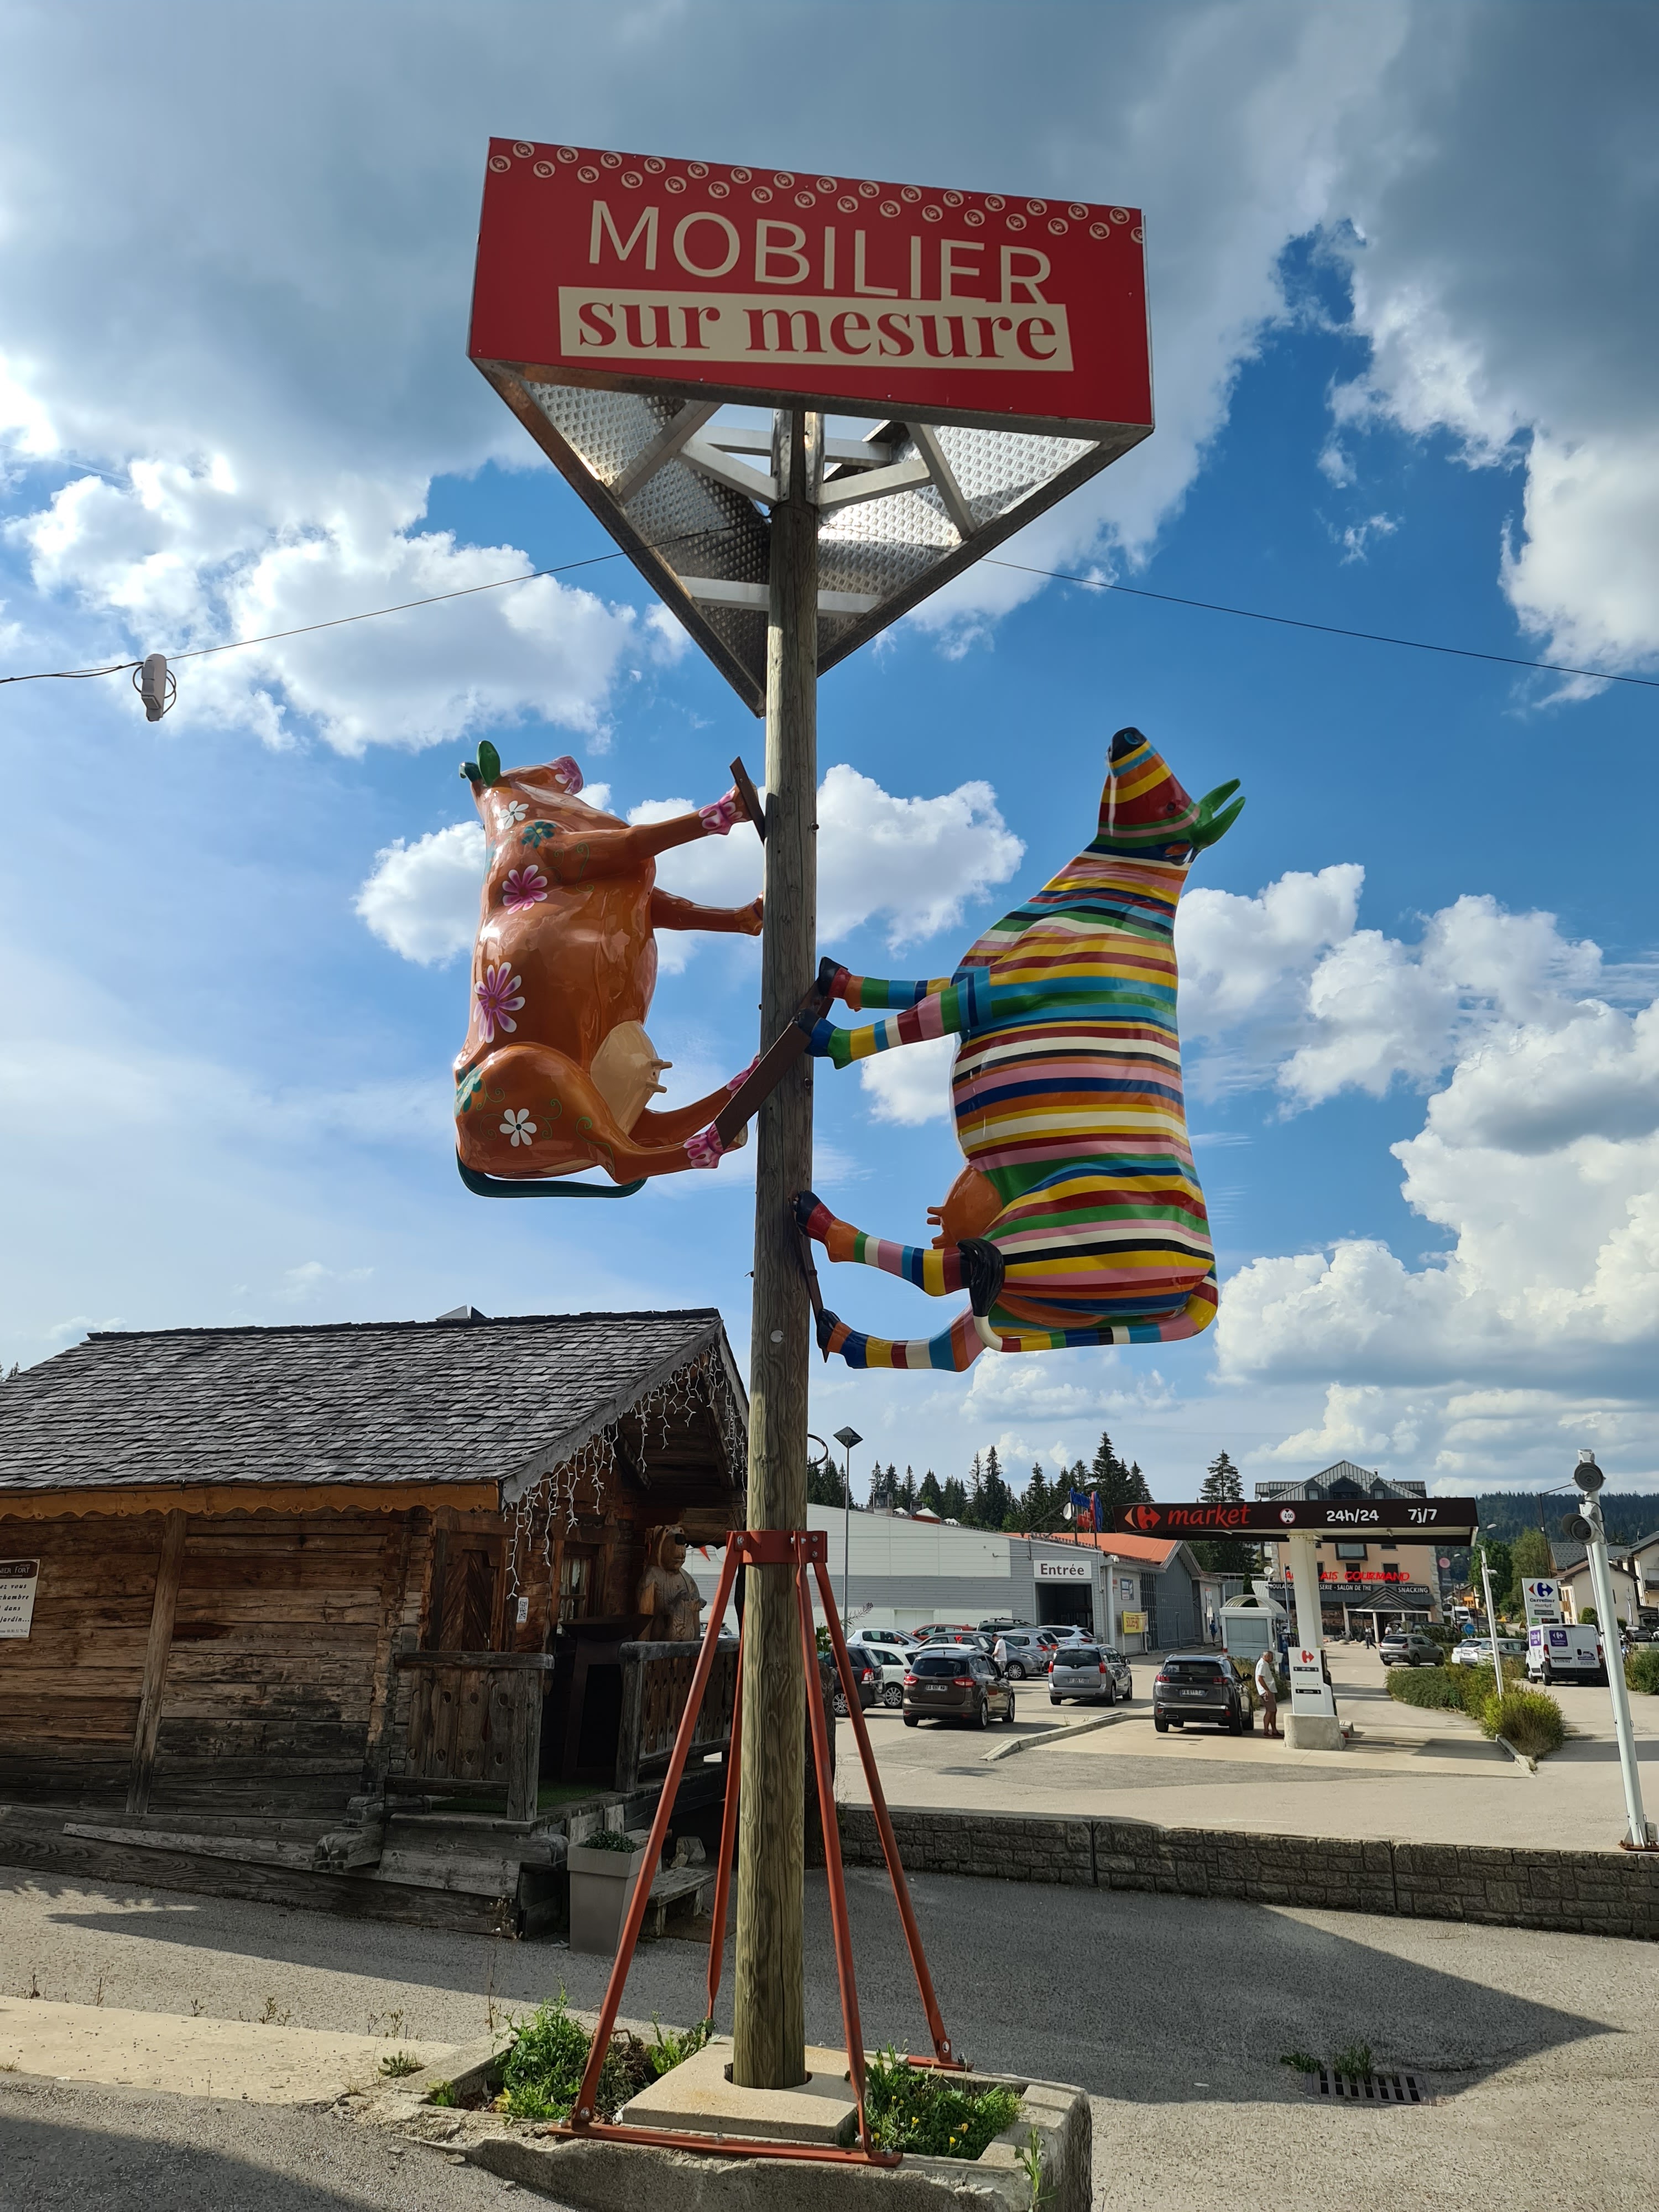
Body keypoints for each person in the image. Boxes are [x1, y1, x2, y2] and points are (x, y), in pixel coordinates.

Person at [1255, 1646, 1281, 1738]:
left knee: (1273, 1710)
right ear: (1266, 1656)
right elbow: (1260, 1678)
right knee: (1270, 1711)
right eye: (1271, 1657)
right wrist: (1266, 1690)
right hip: (1266, 1691)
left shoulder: (1265, 1664)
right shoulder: (1262, 1664)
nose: (1272, 1659)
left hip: (1269, 1690)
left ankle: (1274, 1730)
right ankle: (1266, 1731)